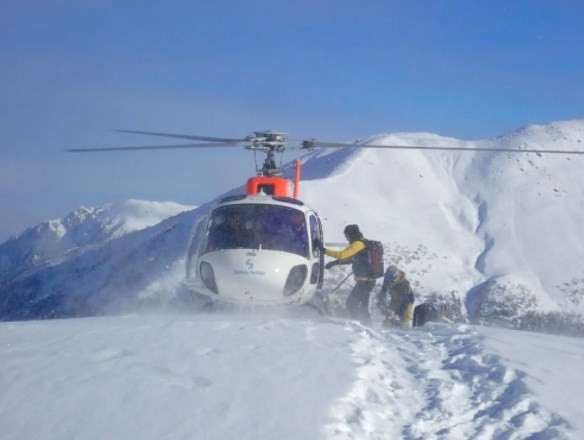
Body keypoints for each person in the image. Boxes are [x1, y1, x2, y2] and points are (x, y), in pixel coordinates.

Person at [323, 224, 376, 324]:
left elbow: (342, 254)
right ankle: (366, 325)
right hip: (366, 281)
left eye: (346, 235)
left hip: (365, 282)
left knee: (351, 303)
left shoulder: (359, 244)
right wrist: (334, 263)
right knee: (362, 307)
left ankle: (357, 324)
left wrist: (323, 250)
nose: (346, 238)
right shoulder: (363, 243)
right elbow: (352, 259)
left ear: (351, 234)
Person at [376, 265, 415, 329]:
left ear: (396, 276)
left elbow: (405, 301)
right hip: (395, 298)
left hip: (407, 301)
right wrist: (381, 300)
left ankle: (405, 333)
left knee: (403, 320)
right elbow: (383, 291)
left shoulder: (403, 284)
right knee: (389, 316)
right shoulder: (387, 280)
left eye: (390, 277)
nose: (388, 280)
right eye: (387, 276)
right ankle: (386, 329)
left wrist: (399, 314)